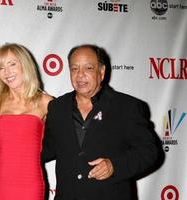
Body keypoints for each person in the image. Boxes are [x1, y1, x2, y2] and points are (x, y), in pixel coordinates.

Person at [42, 44, 162, 200]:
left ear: (102, 72)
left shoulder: (126, 107)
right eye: (74, 69)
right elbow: (47, 148)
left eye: (88, 68)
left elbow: (149, 152)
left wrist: (114, 166)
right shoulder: (58, 107)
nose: (80, 75)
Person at [0, 43, 53, 200]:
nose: (7, 72)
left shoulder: (46, 102)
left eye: (12, 64)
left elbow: (62, 142)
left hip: (30, 184)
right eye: (1, 67)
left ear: (25, 65)